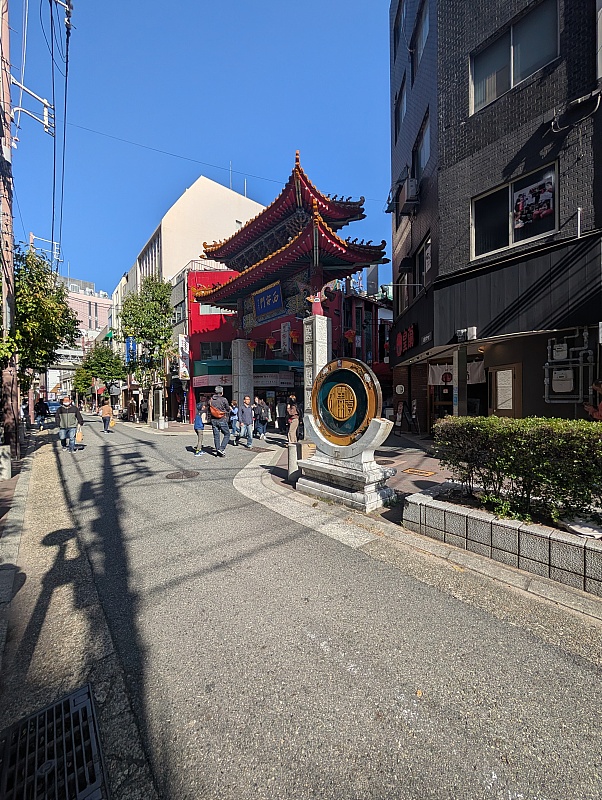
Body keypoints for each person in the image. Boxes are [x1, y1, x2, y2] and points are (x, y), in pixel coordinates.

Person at [209, 385, 231, 456]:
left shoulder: (211, 400)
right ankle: (221, 449)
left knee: (216, 435)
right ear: (222, 392)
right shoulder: (223, 399)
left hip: (213, 419)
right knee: (227, 434)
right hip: (221, 419)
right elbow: (227, 408)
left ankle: (218, 449)